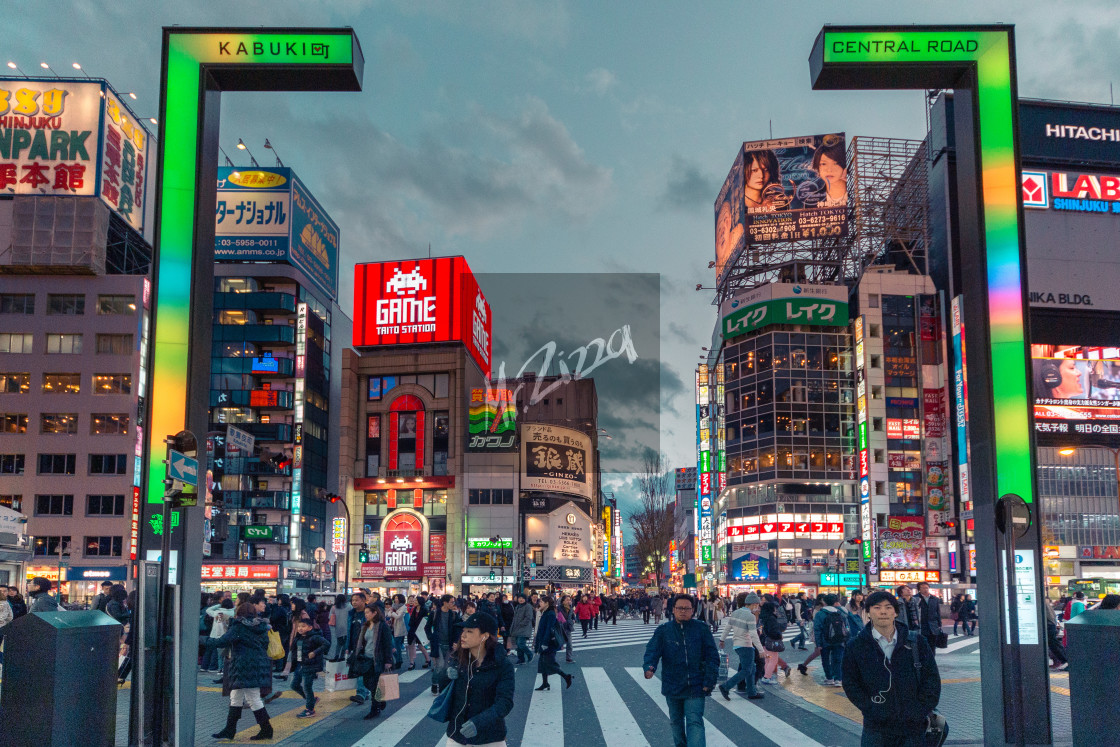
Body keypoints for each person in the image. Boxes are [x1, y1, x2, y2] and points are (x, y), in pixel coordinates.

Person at [842, 591, 941, 746]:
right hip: (876, 728)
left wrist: (920, 710)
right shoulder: (856, 646)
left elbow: (932, 678)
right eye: (877, 607)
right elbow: (850, 683)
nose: (883, 612)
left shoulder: (916, 642)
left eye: (888, 607)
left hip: (913, 727)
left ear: (895, 612)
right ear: (868, 613)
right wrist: (870, 709)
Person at [643, 594, 719, 747]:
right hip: (673, 685)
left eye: (687, 608)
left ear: (693, 611)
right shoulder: (664, 630)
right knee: (676, 723)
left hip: (696, 685)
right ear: (673, 610)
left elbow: (712, 656)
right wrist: (649, 667)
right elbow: (652, 651)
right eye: (679, 608)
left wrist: (709, 681)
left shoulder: (702, 629)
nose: (683, 611)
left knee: (695, 722)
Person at [443, 612, 515, 746]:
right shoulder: (458, 658)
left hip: (489, 738)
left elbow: (505, 702)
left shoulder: (502, 665)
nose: (463, 635)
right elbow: (443, 690)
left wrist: (479, 722)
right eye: (463, 631)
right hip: (457, 736)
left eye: (469, 631)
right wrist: (445, 675)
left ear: (485, 636)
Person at [207, 602, 274, 741]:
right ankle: (229, 729)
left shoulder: (239, 627)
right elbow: (265, 644)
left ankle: (266, 729)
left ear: (239, 613)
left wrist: (201, 640)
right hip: (257, 664)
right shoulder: (261, 627)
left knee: (253, 698)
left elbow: (221, 642)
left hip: (243, 666)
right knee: (236, 696)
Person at [718, 592, 766, 701]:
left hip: (737, 645)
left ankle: (751, 692)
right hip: (746, 645)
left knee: (751, 668)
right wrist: (761, 650)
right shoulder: (750, 616)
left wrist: (722, 639)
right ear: (754, 604)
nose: (758, 607)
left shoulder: (735, 613)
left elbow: (727, 627)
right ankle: (726, 686)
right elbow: (753, 634)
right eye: (757, 605)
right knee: (747, 670)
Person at [356, 604, 395, 719]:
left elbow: (387, 644)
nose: (366, 615)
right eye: (365, 613)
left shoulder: (382, 626)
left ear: (375, 613)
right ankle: (381, 699)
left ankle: (375, 709)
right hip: (366, 659)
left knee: (374, 684)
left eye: (368, 612)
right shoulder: (366, 626)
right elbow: (362, 642)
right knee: (367, 682)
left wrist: (388, 660)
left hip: (378, 659)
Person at [533, 595, 573, 691]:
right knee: (543, 663)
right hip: (544, 641)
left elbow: (548, 629)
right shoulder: (545, 612)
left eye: (541, 602)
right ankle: (545, 683)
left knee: (549, 663)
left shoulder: (550, 613)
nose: (540, 603)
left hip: (549, 643)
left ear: (547, 603)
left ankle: (566, 676)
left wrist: (544, 643)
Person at [427, 594, 464, 694]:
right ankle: (435, 683)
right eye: (452, 602)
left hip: (449, 643)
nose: (453, 604)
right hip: (437, 643)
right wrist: (431, 638)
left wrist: (456, 642)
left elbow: (457, 629)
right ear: (445, 602)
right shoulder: (434, 613)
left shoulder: (454, 615)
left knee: (447, 666)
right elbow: (427, 627)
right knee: (440, 665)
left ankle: (442, 685)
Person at [813, 593, 849, 686]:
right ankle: (838, 679)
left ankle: (829, 678)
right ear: (836, 602)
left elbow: (817, 630)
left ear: (824, 602)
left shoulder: (820, 613)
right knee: (838, 659)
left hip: (825, 641)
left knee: (825, 659)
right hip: (839, 640)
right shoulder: (841, 612)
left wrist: (818, 644)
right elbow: (846, 627)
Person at [347, 593, 373, 705]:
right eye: (352, 600)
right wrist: (347, 647)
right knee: (360, 670)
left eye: (356, 600)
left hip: (367, 646)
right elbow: (349, 631)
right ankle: (365, 692)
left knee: (362, 670)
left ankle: (361, 693)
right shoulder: (351, 614)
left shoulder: (369, 613)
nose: (354, 602)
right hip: (355, 646)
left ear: (363, 600)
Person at [742, 148, 786, 213]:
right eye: (754, 170)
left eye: (766, 170)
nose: (761, 176)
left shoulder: (778, 198)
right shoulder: (738, 203)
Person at [810, 137, 848, 207]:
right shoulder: (811, 201)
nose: (829, 170)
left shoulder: (856, 193)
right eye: (824, 164)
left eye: (836, 163)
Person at [914, 582, 944, 657]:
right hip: (921, 625)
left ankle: (932, 662)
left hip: (933, 625)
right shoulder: (915, 599)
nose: (925, 589)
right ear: (919, 589)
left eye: (926, 588)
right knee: (922, 645)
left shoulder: (934, 599)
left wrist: (939, 624)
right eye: (923, 588)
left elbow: (938, 612)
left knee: (932, 646)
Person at [406, 594, 433, 669]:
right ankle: (411, 662)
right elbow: (412, 619)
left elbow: (425, 620)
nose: (414, 602)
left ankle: (428, 659)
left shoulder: (424, 609)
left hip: (420, 629)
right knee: (411, 644)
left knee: (420, 646)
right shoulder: (415, 609)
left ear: (420, 602)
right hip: (413, 629)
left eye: (416, 600)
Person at [510, 593, 535, 664]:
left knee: (520, 643)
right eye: (519, 598)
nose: (521, 600)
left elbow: (528, 617)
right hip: (516, 628)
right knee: (518, 644)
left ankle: (529, 654)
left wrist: (521, 624)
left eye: (522, 598)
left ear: (525, 599)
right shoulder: (517, 606)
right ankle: (521, 659)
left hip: (524, 628)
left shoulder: (528, 606)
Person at [328, 594, 352, 661]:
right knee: (345, 643)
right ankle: (342, 656)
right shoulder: (349, 606)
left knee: (339, 643)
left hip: (338, 628)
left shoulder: (334, 607)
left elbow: (330, 617)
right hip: (347, 627)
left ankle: (336, 655)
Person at [388, 593, 407, 669]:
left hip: (399, 628)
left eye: (397, 598)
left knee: (397, 646)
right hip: (392, 627)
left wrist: (392, 612)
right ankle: (398, 660)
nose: (396, 599)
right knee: (394, 645)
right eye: (395, 598)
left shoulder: (403, 607)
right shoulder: (393, 606)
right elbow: (389, 614)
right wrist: (392, 612)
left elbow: (398, 617)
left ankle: (399, 660)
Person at [559, 595, 576, 662]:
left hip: (568, 628)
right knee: (557, 644)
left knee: (569, 644)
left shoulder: (570, 608)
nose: (569, 601)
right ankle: (550, 658)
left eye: (569, 600)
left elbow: (572, 615)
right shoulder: (559, 608)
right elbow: (559, 618)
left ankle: (568, 658)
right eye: (567, 600)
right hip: (560, 628)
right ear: (563, 601)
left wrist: (574, 620)